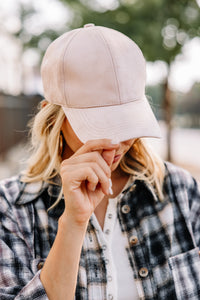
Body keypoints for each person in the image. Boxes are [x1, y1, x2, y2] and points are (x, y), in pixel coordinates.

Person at [0, 23, 199, 300]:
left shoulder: (180, 190)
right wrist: (73, 222)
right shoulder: (10, 210)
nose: (117, 143)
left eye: (127, 121)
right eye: (100, 125)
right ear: (54, 118)